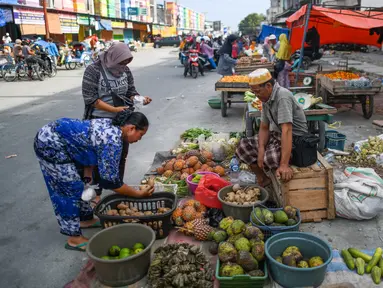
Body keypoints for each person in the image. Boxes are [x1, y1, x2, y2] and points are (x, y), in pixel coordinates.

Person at [34, 110, 153, 251]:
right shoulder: (112, 140)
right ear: (131, 128)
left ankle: (85, 219)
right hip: (50, 143)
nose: (140, 139)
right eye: (141, 134)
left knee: (82, 185)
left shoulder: (114, 128)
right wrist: (138, 194)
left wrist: (87, 173)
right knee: (69, 189)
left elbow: (89, 146)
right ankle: (73, 238)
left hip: (63, 140)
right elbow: (110, 182)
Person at [82, 42, 152, 201]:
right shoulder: (94, 70)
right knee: (96, 161)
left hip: (123, 121)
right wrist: (113, 110)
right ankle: (95, 196)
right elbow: (91, 99)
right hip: (98, 123)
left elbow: (130, 92)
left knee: (119, 157)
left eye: (127, 62)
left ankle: (118, 187)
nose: (124, 66)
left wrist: (139, 99)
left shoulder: (125, 71)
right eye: (122, 62)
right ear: (113, 57)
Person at [236, 68, 308, 187]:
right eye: (254, 93)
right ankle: (263, 179)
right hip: (276, 135)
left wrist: (284, 165)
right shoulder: (266, 99)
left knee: (270, 159)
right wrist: (261, 149)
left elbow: (287, 130)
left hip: (296, 139)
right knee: (243, 146)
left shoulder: (282, 96)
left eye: (258, 91)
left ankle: (283, 167)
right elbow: (264, 127)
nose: (257, 96)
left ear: (268, 86)